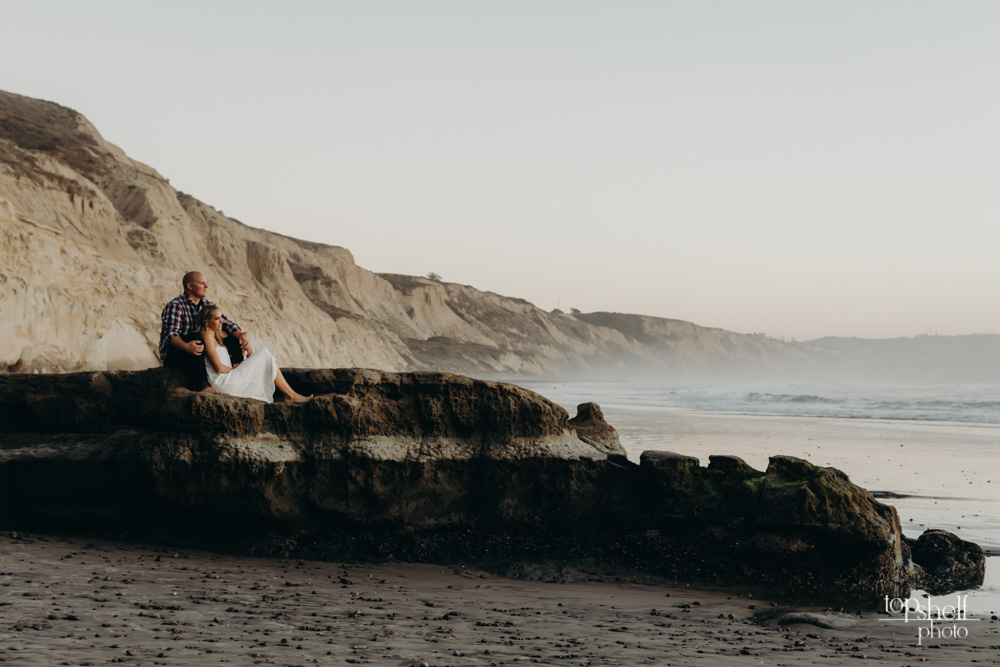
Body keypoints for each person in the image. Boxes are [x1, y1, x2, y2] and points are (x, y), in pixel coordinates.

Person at [196, 305, 312, 404]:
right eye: (217, 318)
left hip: (228, 376)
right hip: (222, 381)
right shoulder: (206, 336)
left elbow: (239, 335)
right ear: (207, 322)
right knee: (264, 353)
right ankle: (290, 395)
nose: (222, 321)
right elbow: (219, 368)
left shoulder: (216, 335)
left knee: (265, 357)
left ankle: (290, 394)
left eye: (221, 317)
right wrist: (235, 369)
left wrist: (246, 337)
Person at [159, 271, 249, 391]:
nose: (206, 286)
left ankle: (234, 373)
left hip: (198, 348)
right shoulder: (176, 305)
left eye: (206, 283)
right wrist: (186, 346)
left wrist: (242, 335)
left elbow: (227, 324)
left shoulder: (207, 305)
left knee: (233, 339)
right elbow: (171, 335)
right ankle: (201, 384)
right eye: (202, 283)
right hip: (177, 352)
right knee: (198, 336)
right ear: (190, 286)